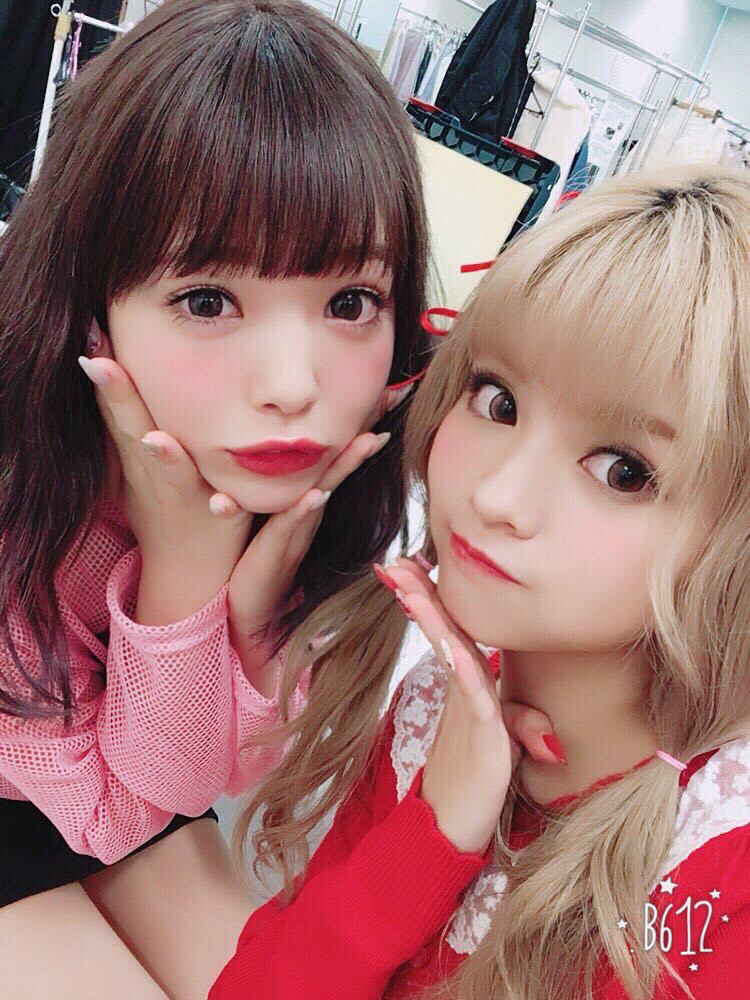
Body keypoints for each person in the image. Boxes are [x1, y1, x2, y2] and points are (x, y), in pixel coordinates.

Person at [212, 166, 750, 999]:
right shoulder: (445, 711)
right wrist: (434, 834)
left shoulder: (718, 884)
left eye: (624, 471)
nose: (497, 496)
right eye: (498, 401)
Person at [0, 0, 432, 995]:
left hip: (132, 776)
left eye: (349, 302)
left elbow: (211, 775)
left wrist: (237, 607)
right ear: (91, 308)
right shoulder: (23, 479)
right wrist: (190, 562)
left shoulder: (309, 482)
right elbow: (113, 816)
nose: (293, 383)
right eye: (207, 300)